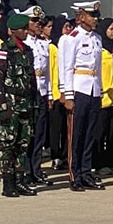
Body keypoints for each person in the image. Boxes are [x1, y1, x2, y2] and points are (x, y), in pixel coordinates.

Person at [58, 1, 105, 192]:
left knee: (89, 135)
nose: (95, 19)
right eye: (92, 15)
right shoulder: (71, 38)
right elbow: (66, 68)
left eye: (96, 16)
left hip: (93, 88)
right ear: (81, 16)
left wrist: (100, 91)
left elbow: (98, 68)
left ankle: (86, 172)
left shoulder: (97, 38)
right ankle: (74, 174)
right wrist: (67, 94)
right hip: (78, 89)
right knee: (75, 135)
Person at [0, 14, 38, 198]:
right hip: (11, 103)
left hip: (26, 103)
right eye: (23, 29)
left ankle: (20, 180)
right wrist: (2, 107)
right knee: (8, 144)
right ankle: (8, 183)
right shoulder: (4, 51)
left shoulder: (27, 50)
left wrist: (35, 104)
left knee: (23, 143)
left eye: (27, 28)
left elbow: (32, 79)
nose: (27, 32)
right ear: (13, 31)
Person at [18, 6, 52, 187]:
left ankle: (36, 170)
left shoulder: (43, 43)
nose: (39, 25)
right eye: (35, 22)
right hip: (27, 93)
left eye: (40, 22)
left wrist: (50, 94)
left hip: (41, 91)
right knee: (27, 136)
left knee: (39, 134)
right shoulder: (23, 43)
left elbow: (47, 72)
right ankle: (25, 172)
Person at [95, 18, 113, 176]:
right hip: (101, 98)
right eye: (110, 29)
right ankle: (98, 163)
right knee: (100, 133)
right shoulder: (99, 49)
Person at [48, 15, 72, 171]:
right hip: (56, 93)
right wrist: (51, 94)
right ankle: (55, 156)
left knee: (66, 127)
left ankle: (65, 155)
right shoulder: (51, 48)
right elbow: (49, 72)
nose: (68, 30)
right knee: (56, 127)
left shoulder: (69, 45)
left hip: (67, 92)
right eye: (65, 27)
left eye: (70, 26)